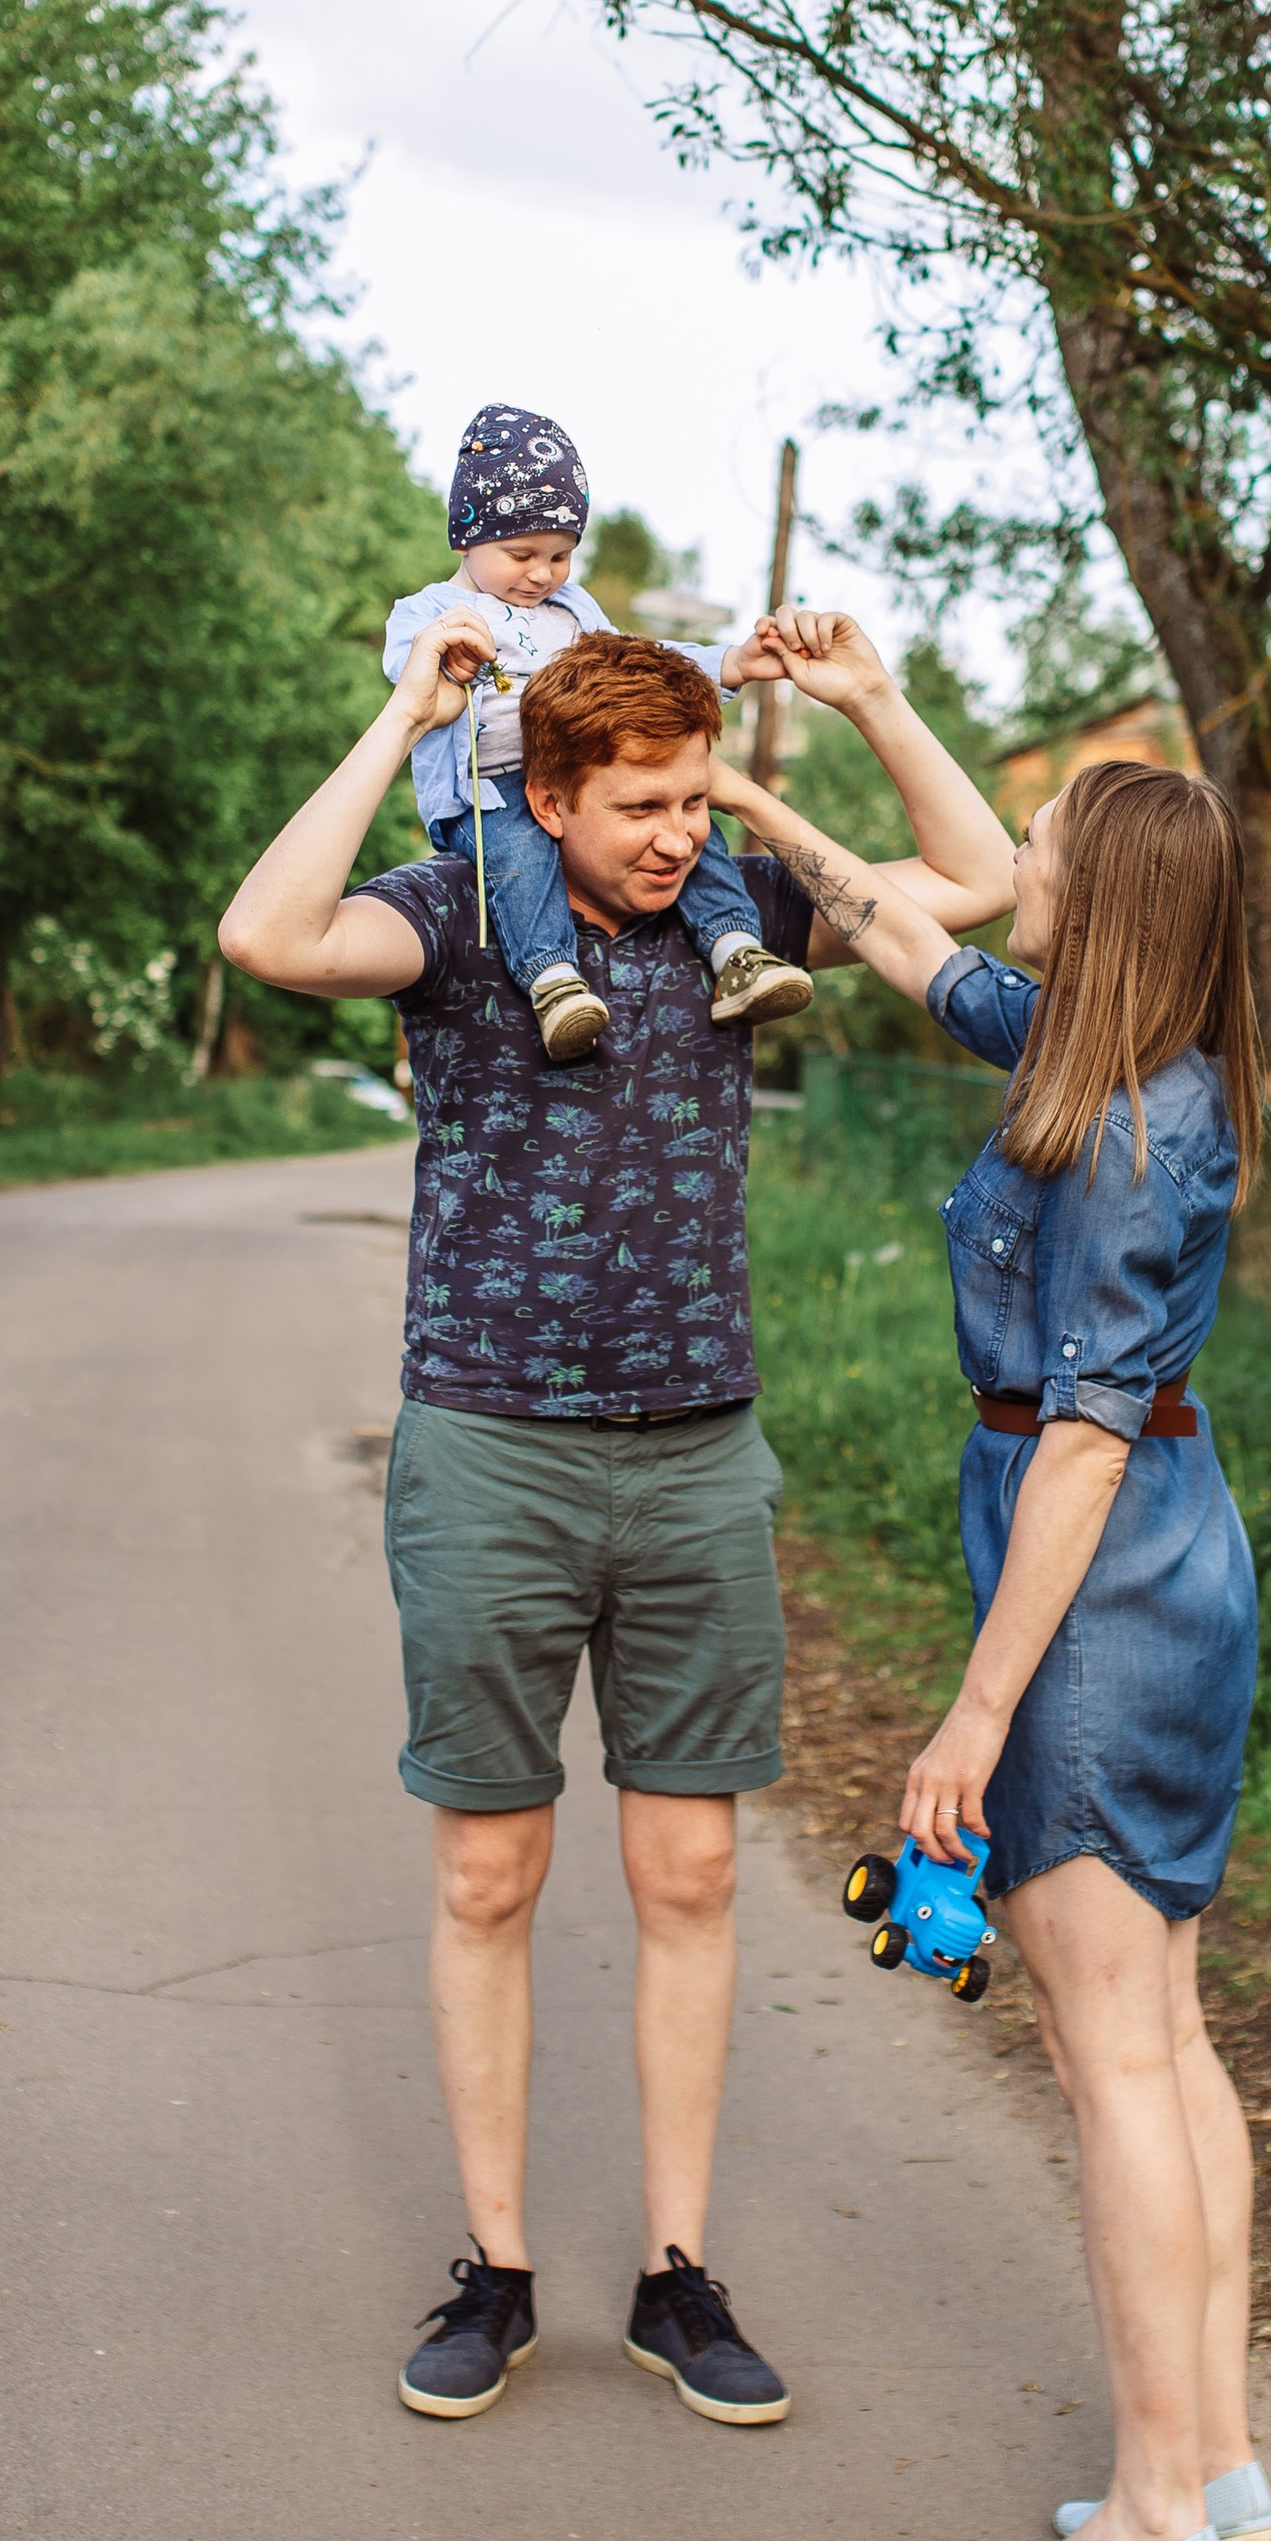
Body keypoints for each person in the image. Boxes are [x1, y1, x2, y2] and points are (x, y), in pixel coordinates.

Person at [218, 605, 1013, 2426]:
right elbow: (263, 933)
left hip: (695, 1457)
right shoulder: (455, 916)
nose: (673, 833)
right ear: (551, 795)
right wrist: (404, 714)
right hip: (492, 1450)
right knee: (492, 1872)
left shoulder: (745, 917)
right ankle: (495, 2272)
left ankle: (674, 2274)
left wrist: (849, 709)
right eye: (640, 802)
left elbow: (984, 877)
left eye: (691, 795)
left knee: (696, 1870)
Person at [716, 681, 1268, 2541]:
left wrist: (971, 1709)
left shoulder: (1118, 1129)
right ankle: (1206, 2452)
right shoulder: (1102, 1061)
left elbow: (1085, 1437)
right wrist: (809, 736)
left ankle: (1144, 2521)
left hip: (1095, 1588)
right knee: (1164, 2033)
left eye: (1046, 845)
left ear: (1095, 902)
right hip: (1159, 1574)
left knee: (1106, 2051)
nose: (1011, 853)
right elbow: (890, 913)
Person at [384, 400, 813, 1060]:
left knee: (688, 834)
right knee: (522, 857)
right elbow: (404, 668)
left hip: (583, 776)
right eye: (521, 553)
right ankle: (554, 982)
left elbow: (641, 658)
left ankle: (737, 950)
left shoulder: (571, 608)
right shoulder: (434, 610)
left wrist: (728, 662)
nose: (541, 573)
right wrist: (442, 656)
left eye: (560, 555)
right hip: (491, 792)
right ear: (465, 536)